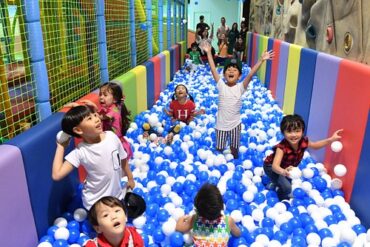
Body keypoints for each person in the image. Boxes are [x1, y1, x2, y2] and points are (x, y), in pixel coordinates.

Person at [52, 105, 135, 210]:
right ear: (78, 130)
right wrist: (60, 146)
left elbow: (123, 159)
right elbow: (57, 174)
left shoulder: (111, 137)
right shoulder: (81, 152)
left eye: (95, 115)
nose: (96, 119)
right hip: (95, 202)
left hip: (116, 197)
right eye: (89, 119)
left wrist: (130, 178)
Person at [200, 41, 273, 159]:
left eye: (235, 69)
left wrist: (261, 60)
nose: (231, 71)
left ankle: (234, 159)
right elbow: (213, 69)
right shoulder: (221, 86)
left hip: (235, 125)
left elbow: (250, 75)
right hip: (221, 125)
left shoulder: (240, 88)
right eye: (228, 69)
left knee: (234, 149)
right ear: (224, 74)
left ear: (239, 76)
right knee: (219, 148)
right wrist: (208, 53)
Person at [263, 114, 343, 201]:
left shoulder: (304, 141)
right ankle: (281, 198)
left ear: (302, 131)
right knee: (287, 187)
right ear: (283, 133)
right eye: (289, 132)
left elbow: (315, 146)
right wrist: (283, 172)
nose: (294, 135)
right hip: (271, 167)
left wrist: (331, 139)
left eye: (297, 131)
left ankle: (277, 182)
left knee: (286, 180)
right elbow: (275, 166)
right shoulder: (281, 148)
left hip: (285, 167)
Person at [65, 82, 133, 160]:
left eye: (105, 95)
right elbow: (98, 115)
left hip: (115, 144)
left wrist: (78, 106)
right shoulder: (111, 107)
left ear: (114, 99)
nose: (101, 97)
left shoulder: (113, 111)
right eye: (100, 94)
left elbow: (97, 117)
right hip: (112, 141)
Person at [176, 183, 241, 246]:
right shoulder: (228, 221)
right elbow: (238, 234)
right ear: (221, 205)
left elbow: (179, 228)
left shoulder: (195, 219)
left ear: (197, 209)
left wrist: (185, 217)